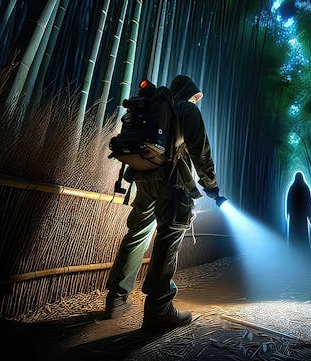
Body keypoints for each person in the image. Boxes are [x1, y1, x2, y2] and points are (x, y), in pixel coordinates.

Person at [104, 75, 223, 331]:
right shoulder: (185, 108)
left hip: (144, 176)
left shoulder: (155, 107)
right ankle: (159, 308)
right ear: (189, 93)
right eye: (195, 96)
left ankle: (116, 298)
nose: (195, 100)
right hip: (171, 181)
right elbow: (200, 150)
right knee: (168, 238)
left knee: (136, 234)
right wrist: (211, 185)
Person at [286, 172, 311, 255]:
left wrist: (288, 213)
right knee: (303, 234)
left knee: (294, 234)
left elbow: (288, 202)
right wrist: (310, 216)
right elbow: (309, 202)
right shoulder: (305, 188)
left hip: (294, 217)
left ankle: (293, 253)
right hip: (302, 217)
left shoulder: (292, 188)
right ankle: (304, 252)